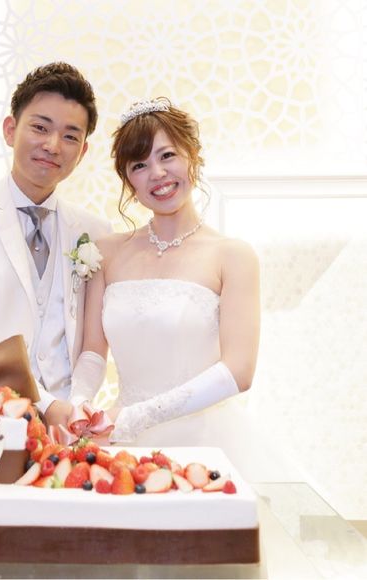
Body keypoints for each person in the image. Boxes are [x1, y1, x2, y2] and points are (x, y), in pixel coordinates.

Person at [70, 97, 264, 473]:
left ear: (193, 156)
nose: (157, 173)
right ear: (128, 181)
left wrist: (135, 417)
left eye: (167, 156)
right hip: (122, 442)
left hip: (206, 442)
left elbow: (238, 371)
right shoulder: (106, 253)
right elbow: (93, 352)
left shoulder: (233, 256)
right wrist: (79, 404)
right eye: (139, 165)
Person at [0, 62, 111, 426]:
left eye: (70, 136)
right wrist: (44, 404)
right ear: (10, 130)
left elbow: (93, 342)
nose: (52, 145)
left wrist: (77, 405)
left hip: (65, 424)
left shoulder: (96, 232)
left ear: (83, 152)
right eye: (40, 127)